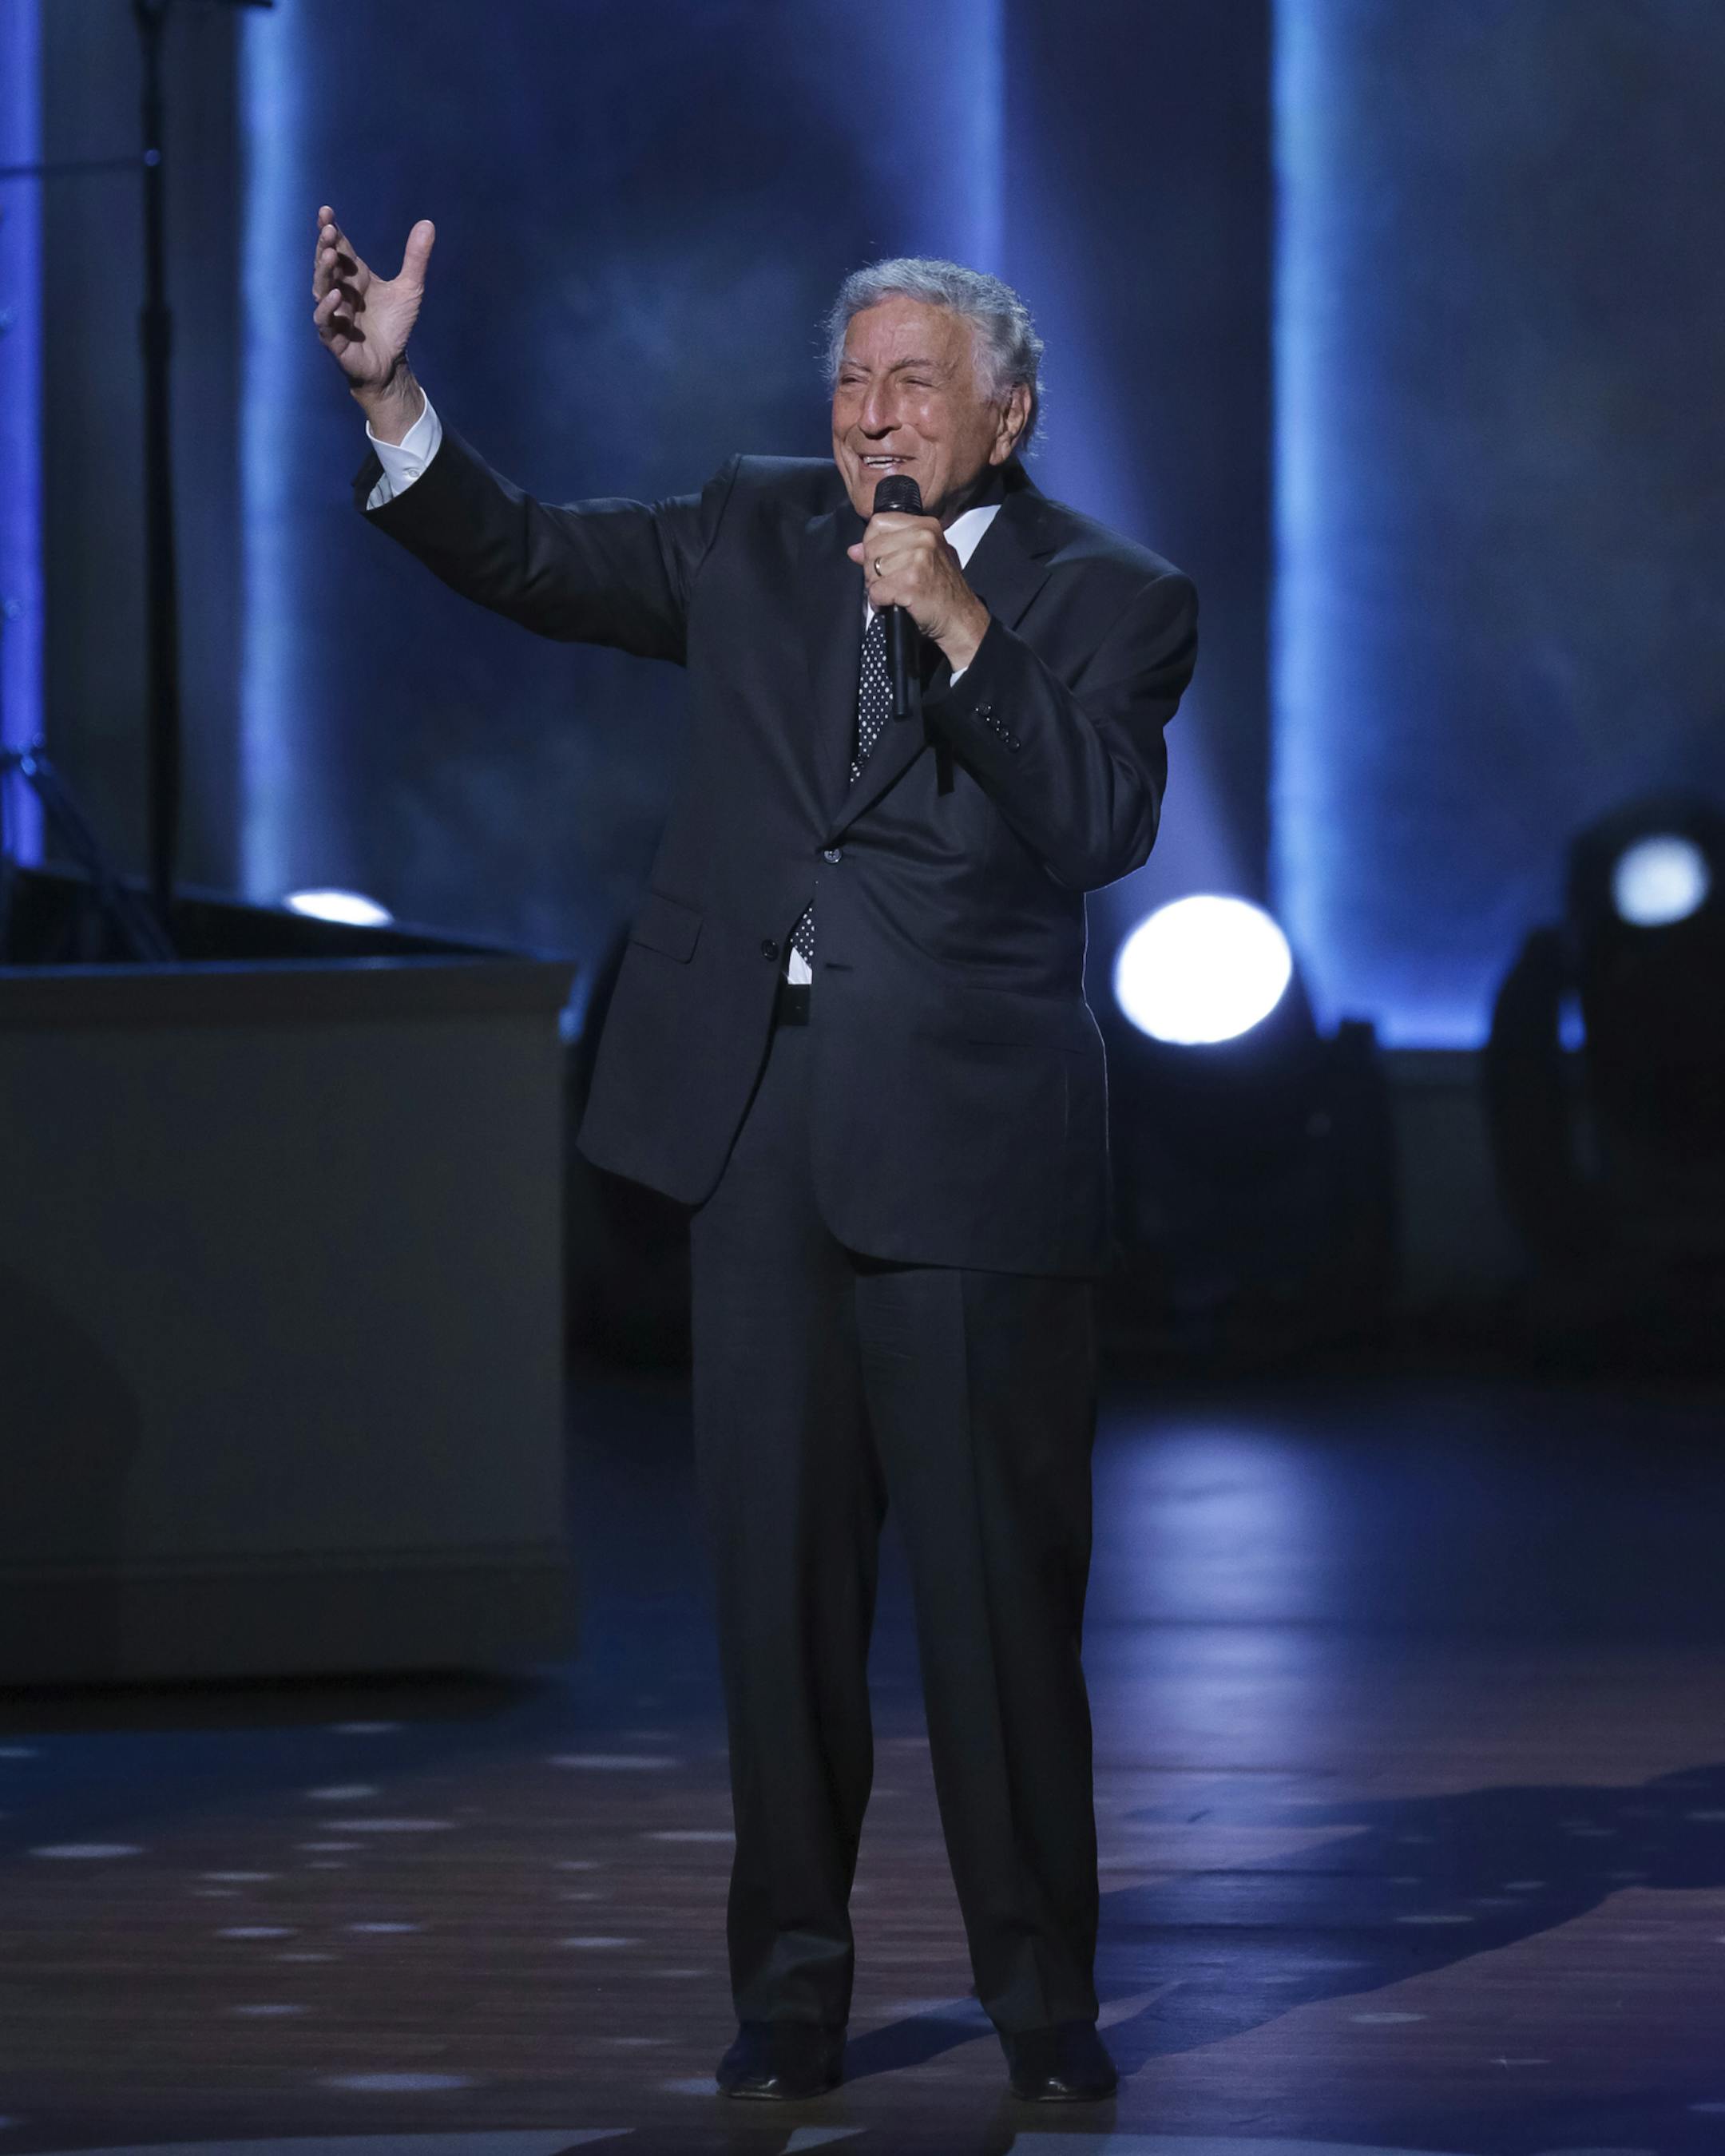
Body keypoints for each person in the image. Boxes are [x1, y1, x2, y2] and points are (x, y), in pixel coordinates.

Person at [311, 204, 1197, 2105]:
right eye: (853, 383)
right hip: (758, 1120)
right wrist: (395, 405)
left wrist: (954, 621)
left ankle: (1043, 2002)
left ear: (1009, 417)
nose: (874, 417)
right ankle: (790, 1993)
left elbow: (1099, 822)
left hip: (966, 1146)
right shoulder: (749, 525)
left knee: (994, 1610)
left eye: (916, 386)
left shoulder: (1116, 596)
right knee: (776, 1602)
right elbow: (531, 556)